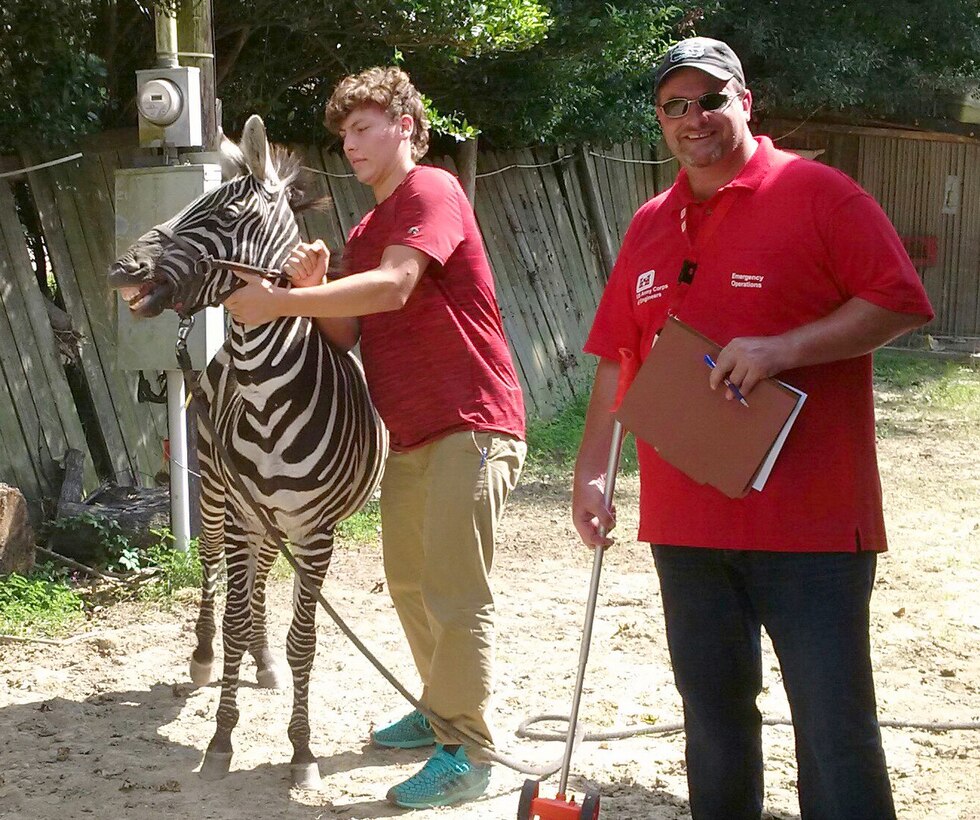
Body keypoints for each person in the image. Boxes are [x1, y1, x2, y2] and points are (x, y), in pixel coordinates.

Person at [571, 37, 934, 820]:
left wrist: (784, 349)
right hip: (686, 528)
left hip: (811, 529)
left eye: (711, 99)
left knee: (834, 734)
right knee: (713, 723)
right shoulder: (649, 222)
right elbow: (616, 356)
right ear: (660, 120)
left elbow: (901, 301)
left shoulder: (819, 194)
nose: (694, 118)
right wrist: (592, 469)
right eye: (675, 106)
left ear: (745, 102)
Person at [224, 66, 526, 810]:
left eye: (363, 127)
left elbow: (395, 287)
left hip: (471, 420)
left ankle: (470, 751)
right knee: (412, 584)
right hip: (412, 433)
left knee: (457, 593)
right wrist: (316, 285)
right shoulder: (364, 229)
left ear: (404, 125)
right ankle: (440, 709)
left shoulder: (432, 192)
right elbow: (348, 332)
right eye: (344, 132)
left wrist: (283, 299)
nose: (350, 143)